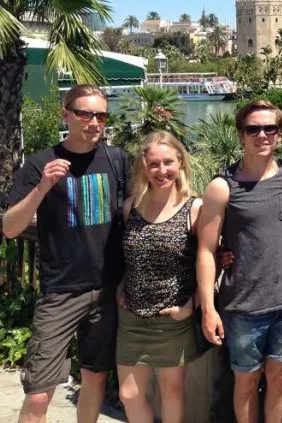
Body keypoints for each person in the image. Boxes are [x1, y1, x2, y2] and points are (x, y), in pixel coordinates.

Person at [2, 84, 128, 423]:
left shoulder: (116, 160)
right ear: (66, 114)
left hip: (106, 290)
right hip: (60, 292)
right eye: (84, 114)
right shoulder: (40, 163)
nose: (93, 122)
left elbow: (136, 211)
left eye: (100, 115)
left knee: (94, 379)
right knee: (40, 391)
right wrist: (43, 186)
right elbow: (11, 227)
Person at [198, 100, 282, 423]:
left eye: (269, 128)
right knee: (246, 382)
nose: (262, 135)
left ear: (279, 135)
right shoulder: (222, 186)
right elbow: (205, 248)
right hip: (243, 305)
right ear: (240, 135)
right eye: (253, 129)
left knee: (281, 378)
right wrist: (208, 308)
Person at [116, 131, 203, 423]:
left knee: (171, 393)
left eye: (168, 162)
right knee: (129, 394)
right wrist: (120, 286)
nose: (161, 171)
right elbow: (129, 256)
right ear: (144, 166)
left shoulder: (194, 208)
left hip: (172, 319)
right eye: (154, 164)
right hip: (131, 317)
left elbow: (210, 261)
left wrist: (192, 305)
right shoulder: (131, 207)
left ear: (180, 163)